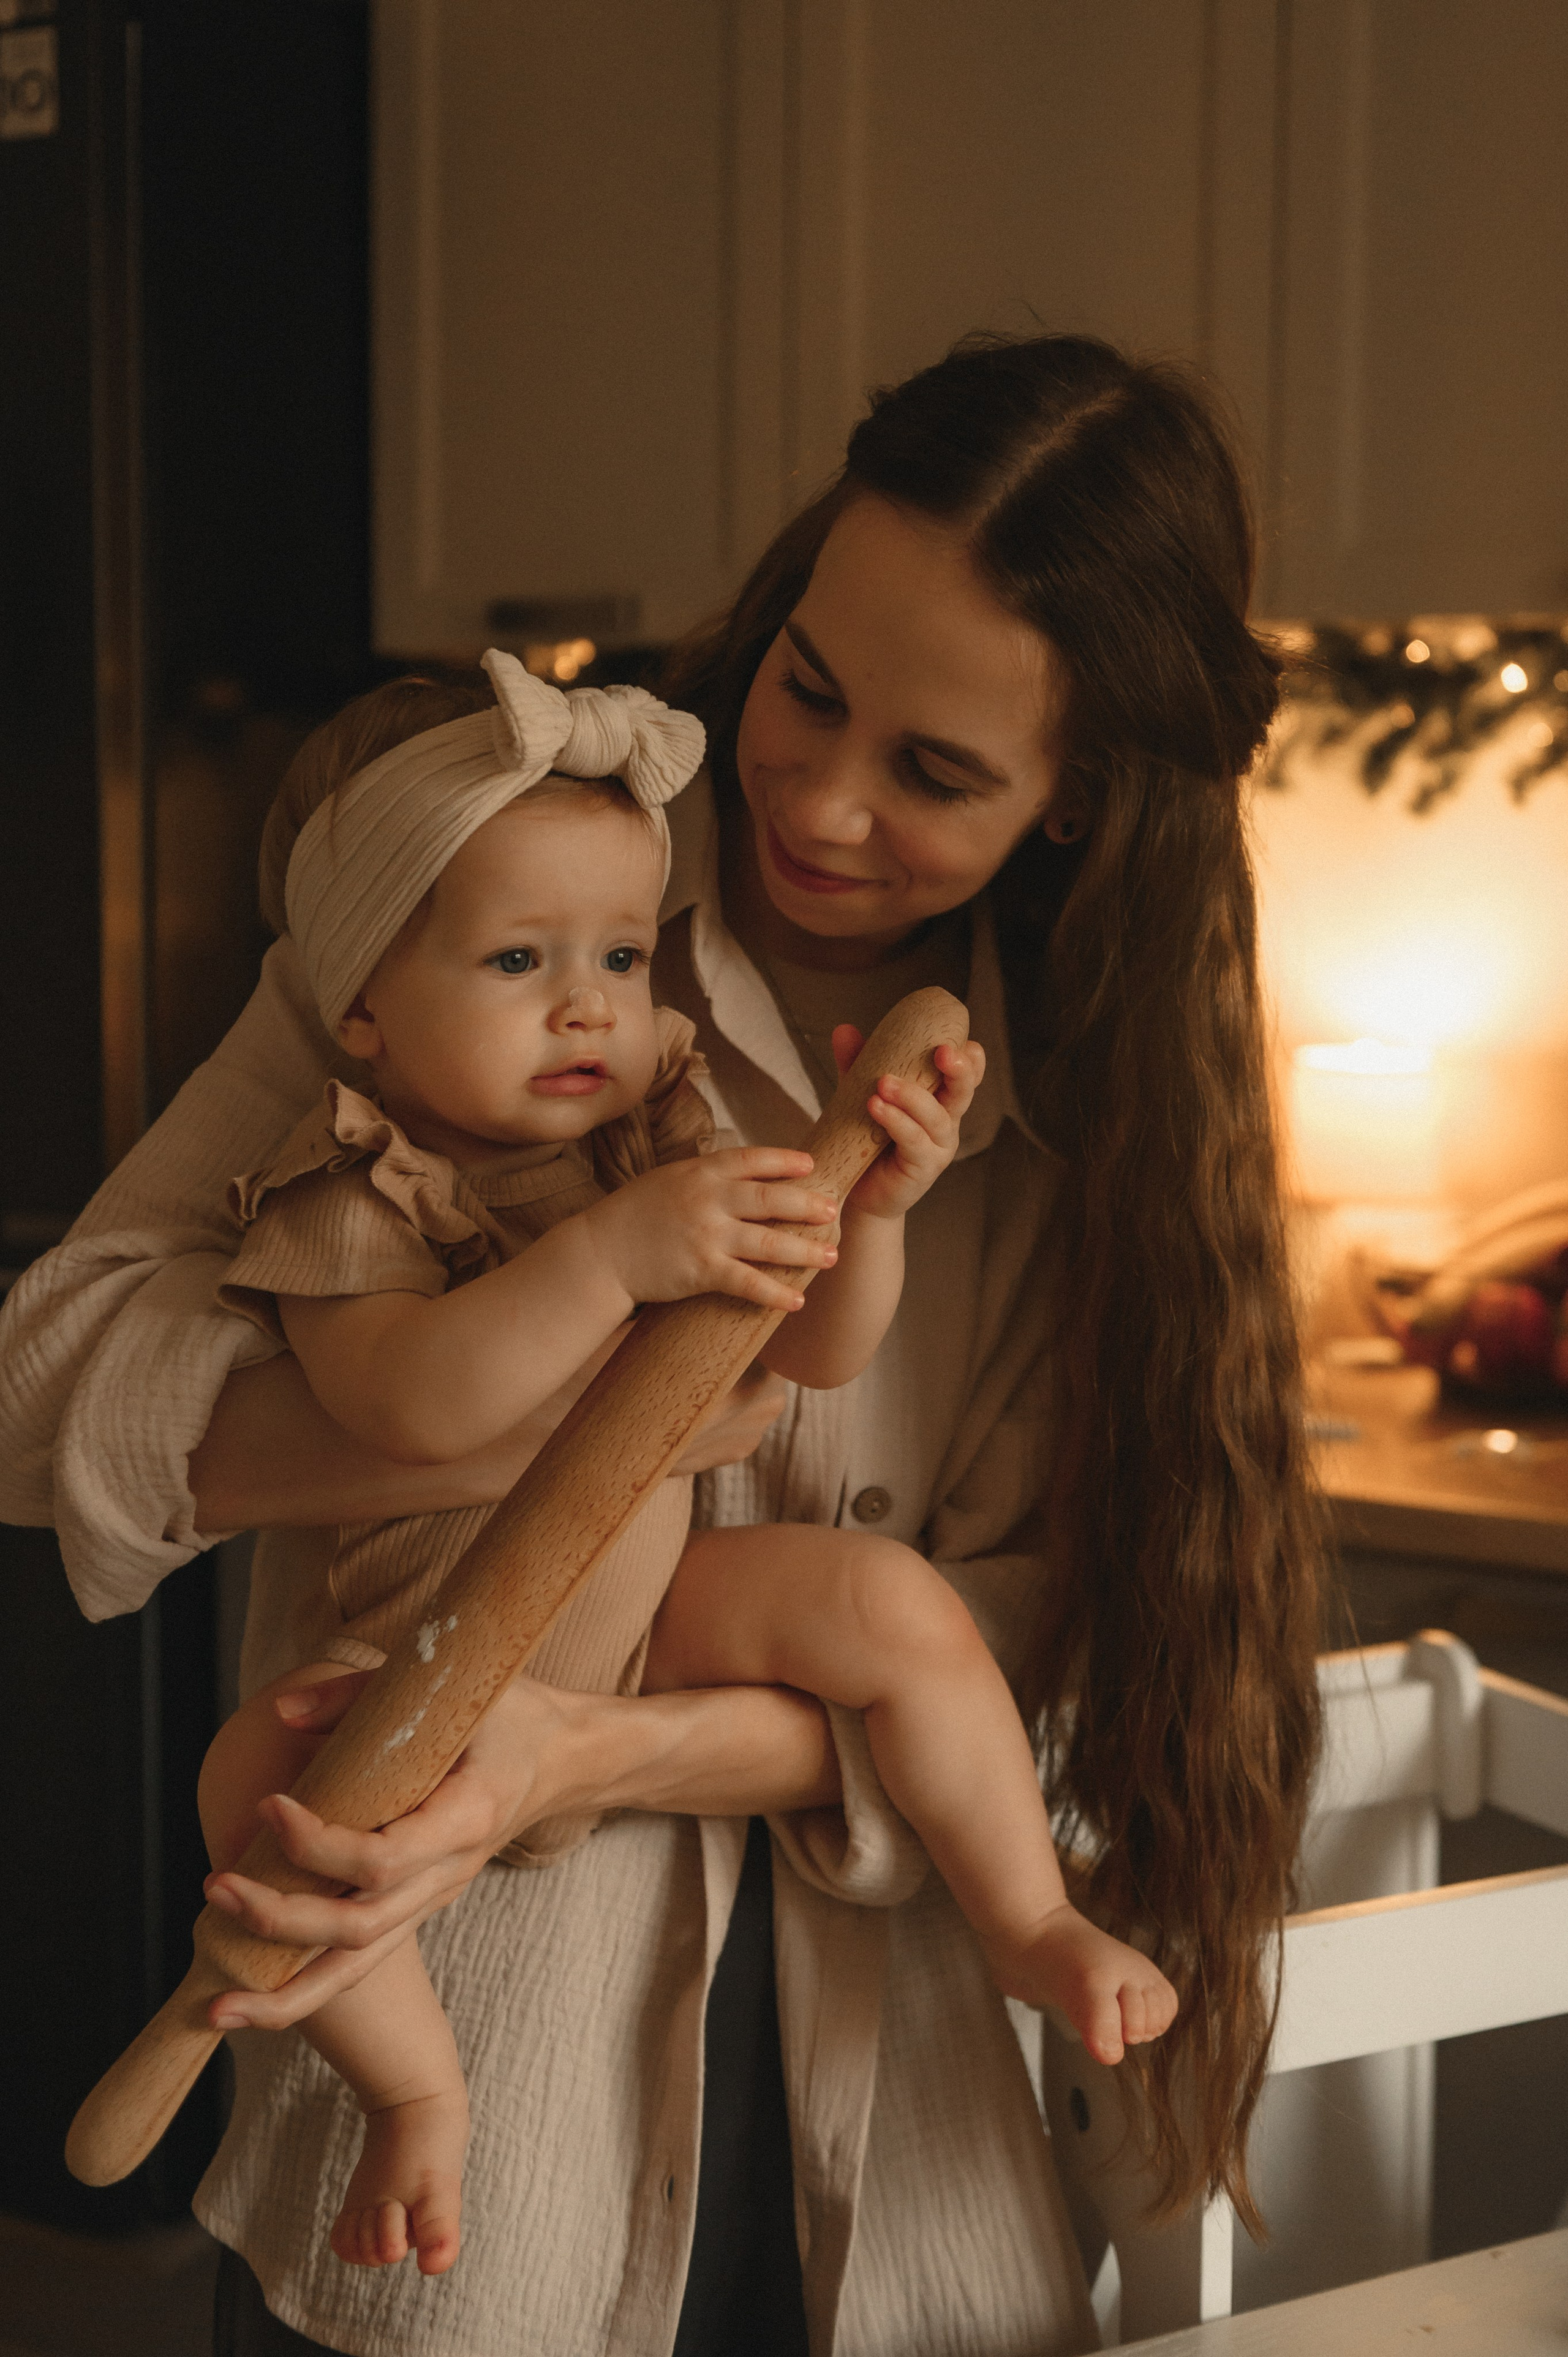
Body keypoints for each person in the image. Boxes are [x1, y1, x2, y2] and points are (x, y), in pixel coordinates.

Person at [0, 331, 1323, 2357]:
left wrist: (580, 1747)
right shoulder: (490, 882)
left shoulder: (1073, 1110)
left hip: (898, 2147)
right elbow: (49, 1388)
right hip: (476, 2106)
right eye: (810, 684)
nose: (815, 791)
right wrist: (501, 1427)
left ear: (1075, 812)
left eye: (939, 774)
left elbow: (1003, 1641)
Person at [202, 644, 1174, 2279]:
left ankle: (1032, 1916)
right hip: (410, 1647)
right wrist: (612, 1261)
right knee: (256, 1800)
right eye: (519, 958)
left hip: (648, 1607)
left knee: (879, 1602)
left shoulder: (648, 1111)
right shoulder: (347, 1178)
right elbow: (414, 1406)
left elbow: (810, 1353)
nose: (589, 1002)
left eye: (619, 953)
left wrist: (864, 1218)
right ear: (359, 997)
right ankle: (420, 2096)